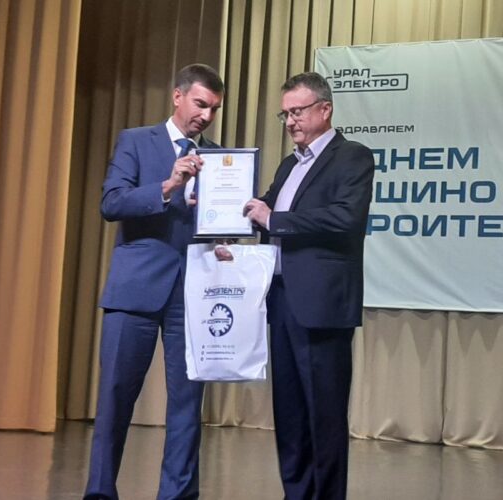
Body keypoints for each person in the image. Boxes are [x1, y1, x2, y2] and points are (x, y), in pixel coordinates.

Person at [84, 63, 224, 500]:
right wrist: (168, 185)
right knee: (115, 398)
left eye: (214, 109)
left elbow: (218, 220)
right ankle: (100, 492)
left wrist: (223, 237)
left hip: (193, 294)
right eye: (200, 104)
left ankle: (177, 495)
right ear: (177, 96)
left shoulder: (219, 158)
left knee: (187, 404)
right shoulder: (136, 141)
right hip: (136, 290)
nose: (206, 115)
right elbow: (111, 203)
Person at [244, 72, 375, 499]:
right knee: (290, 415)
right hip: (282, 301)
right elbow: (263, 211)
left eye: (297, 112)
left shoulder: (352, 157)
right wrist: (227, 216)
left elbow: (345, 218)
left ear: (325, 109)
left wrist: (274, 219)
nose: (290, 121)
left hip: (322, 306)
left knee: (325, 416)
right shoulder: (289, 165)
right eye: (285, 114)